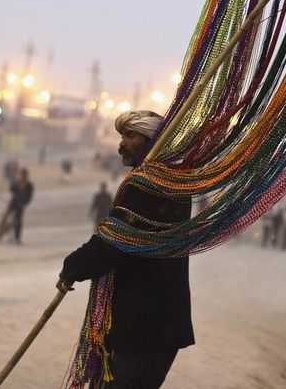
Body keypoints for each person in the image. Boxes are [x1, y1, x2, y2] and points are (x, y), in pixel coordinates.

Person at [58, 110, 194, 388]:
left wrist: (74, 266)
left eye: (130, 136)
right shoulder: (168, 179)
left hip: (147, 326)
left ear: (154, 141)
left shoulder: (153, 184)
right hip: (150, 323)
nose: (121, 144)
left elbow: (115, 242)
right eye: (122, 136)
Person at [0, 168, 34, 244]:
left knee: (18, 221)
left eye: (24, 175)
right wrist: (17, 183)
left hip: (21, 205)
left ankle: (17, 238)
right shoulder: (17, 182)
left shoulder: (29, 185)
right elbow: (12, 190)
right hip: (13, 202)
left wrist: (24, 203)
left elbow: (29, 196)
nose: (23, 176)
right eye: (22, 175)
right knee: (5, 217)